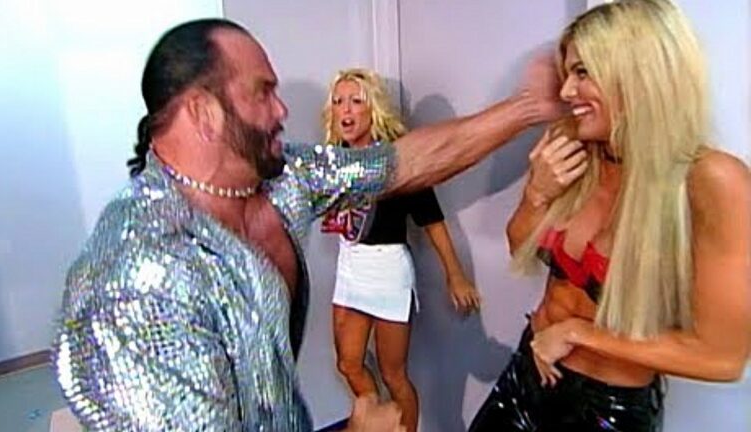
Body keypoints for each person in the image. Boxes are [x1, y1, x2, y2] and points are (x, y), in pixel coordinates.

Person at [52, 18, 563, 431]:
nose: (282, 109)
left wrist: (527, 107)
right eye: (263, 93)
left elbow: (404, 163)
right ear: (203, 112)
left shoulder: (280, 179)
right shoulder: (137, 280)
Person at [468, 1, 751, 431]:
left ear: (640, 74)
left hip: (607, 409)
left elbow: (722, 358)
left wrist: (577, 333)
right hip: (526, 376)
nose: (566, 93)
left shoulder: (710, 181)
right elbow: (518, 245)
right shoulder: (572, 145)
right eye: (567, 74)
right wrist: (536, 194)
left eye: (583, 73)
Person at [319, 68, 480, 432]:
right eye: (338, 101)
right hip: (350, 264)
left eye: (355, 101)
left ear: (373, 109)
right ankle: (378, 424)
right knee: (348, 363)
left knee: (393, 374)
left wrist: (455, 275)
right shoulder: (333, 161)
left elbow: (431, 220)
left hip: (387, 270)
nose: (345, 109)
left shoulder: (397, 160)